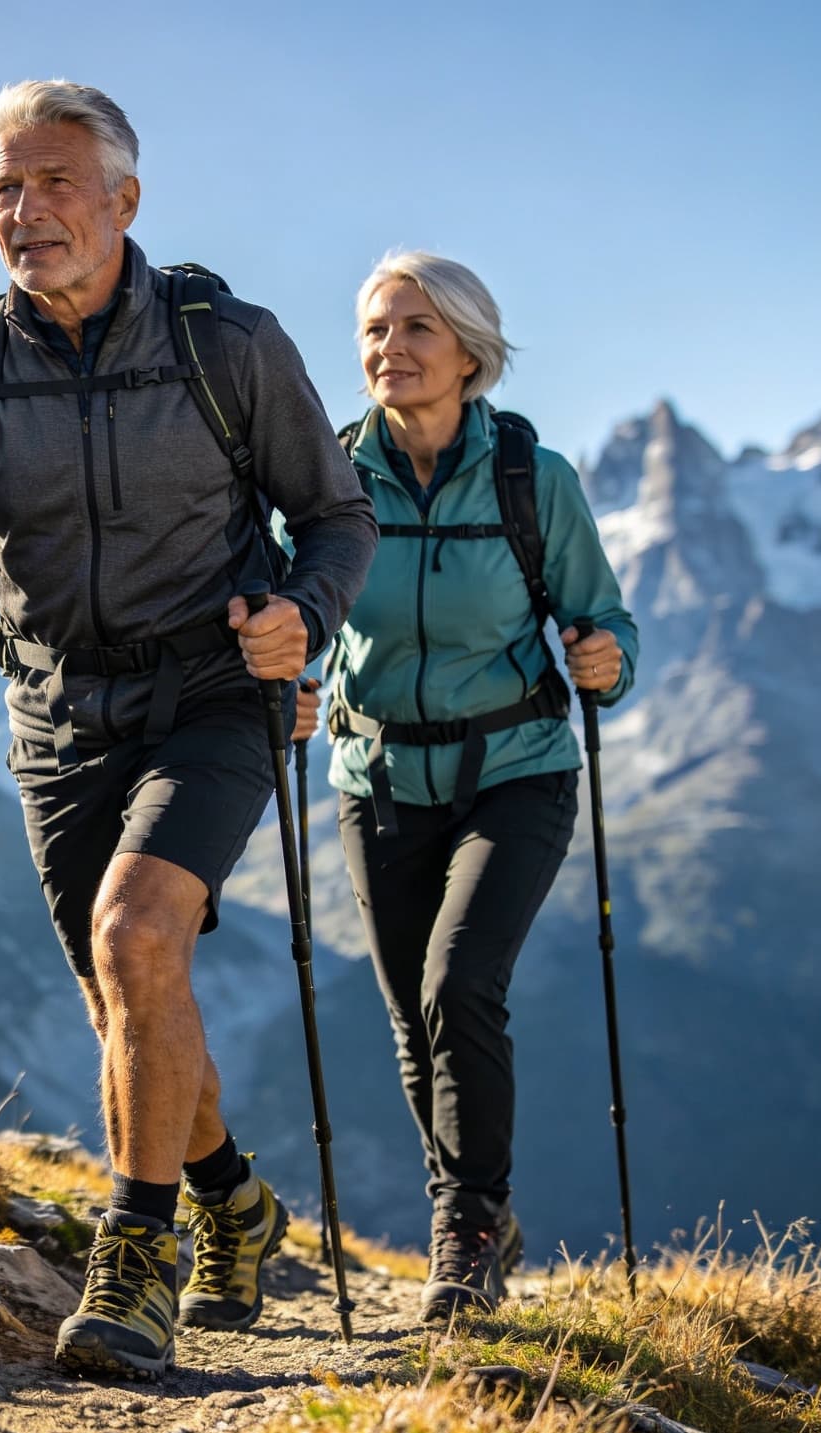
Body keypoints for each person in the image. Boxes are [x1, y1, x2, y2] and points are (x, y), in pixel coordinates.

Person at [0, 79, 378, 1378]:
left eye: (55, 182)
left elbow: (337, 516)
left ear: (124, 199)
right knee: (128, 997)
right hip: (58, 714)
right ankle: (233, 1200)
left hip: (217, 690)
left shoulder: (230, 345)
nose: (28, 211)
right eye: (5, 188)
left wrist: (303, 617)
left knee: (135, 932)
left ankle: (134, 1260)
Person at [288, 250, 637, 1321]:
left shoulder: (537, 479)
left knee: (455, 985)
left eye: (413, 329)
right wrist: (282, 675)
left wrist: (604, 663)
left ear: (469, 351)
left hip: (516, 772)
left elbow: (604, 619)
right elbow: (288, 605)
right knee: (410, 1016)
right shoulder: (325, 476)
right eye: (374, 332)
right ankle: (472, 1213)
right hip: (378, 773)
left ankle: (469, 1224)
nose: (387, 349)